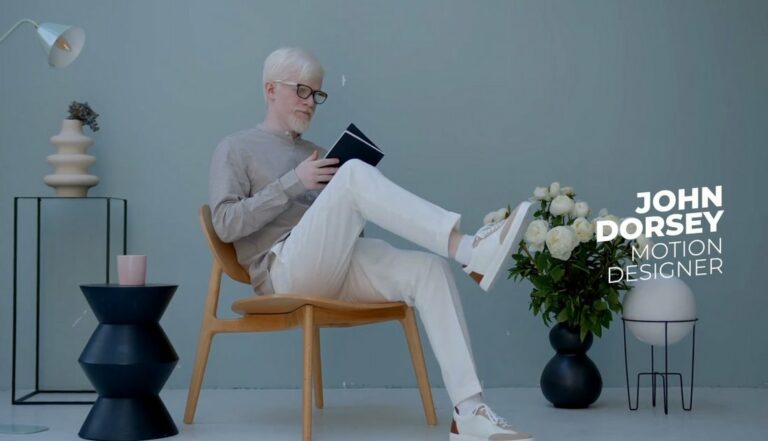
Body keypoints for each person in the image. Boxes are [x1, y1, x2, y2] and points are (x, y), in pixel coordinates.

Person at [209, 47, 535, 441]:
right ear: (270, 89)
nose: (310, 102)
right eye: (302, 91)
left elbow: (337, 230)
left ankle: (469, 412)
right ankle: (468, 249)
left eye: (317, 94)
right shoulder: (236, 148)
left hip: (334, 266)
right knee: (353, 174)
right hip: (283, 271)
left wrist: (339, 206)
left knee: (429, 270)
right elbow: (224, 224)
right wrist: (296, 182)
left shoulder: (314, 153)